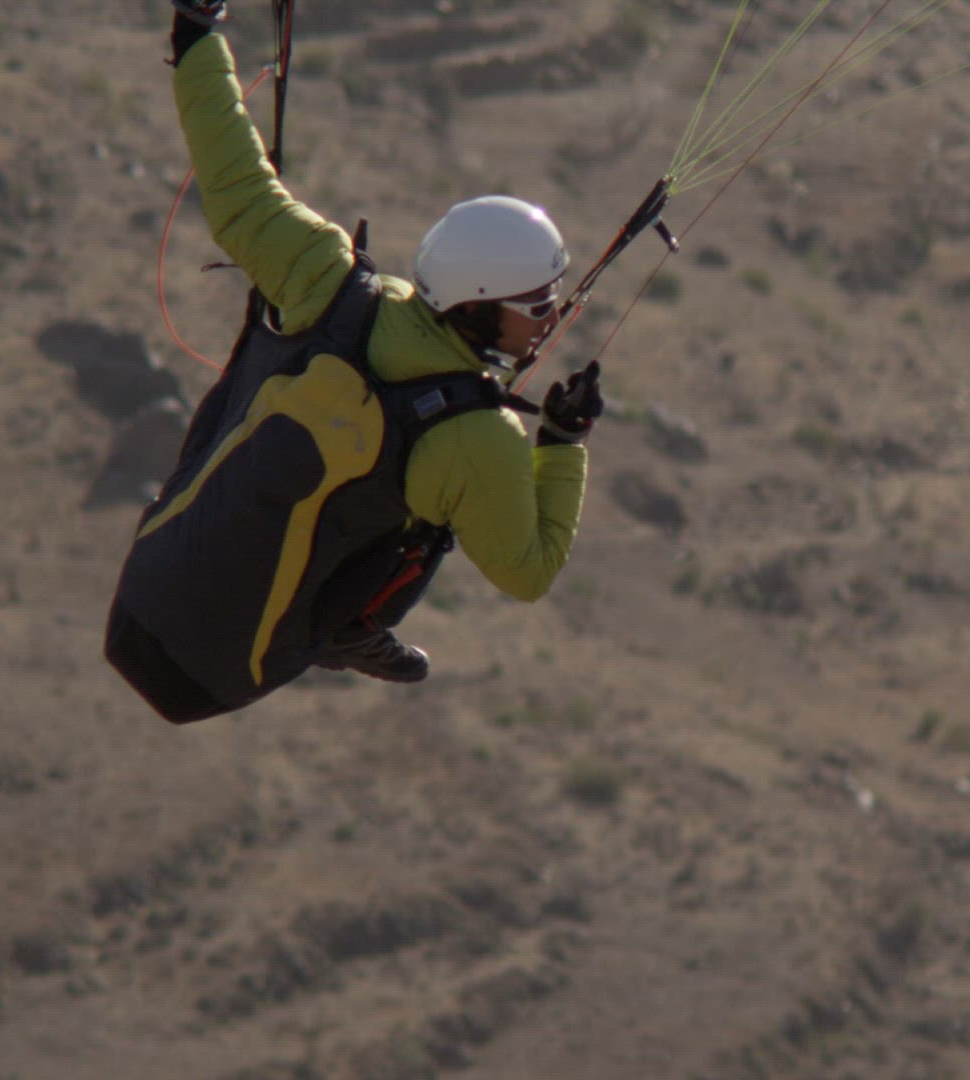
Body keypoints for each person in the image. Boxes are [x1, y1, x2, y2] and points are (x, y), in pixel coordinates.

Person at [103, 0, 603, 723]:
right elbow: (529, 572)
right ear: (478, 306)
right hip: (217, 678)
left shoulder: (326, 280)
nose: (553, 319)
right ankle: (350, 624)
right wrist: (561, 444)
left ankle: (345, 620)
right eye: (538, 303)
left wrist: (197, 37)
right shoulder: (480, 438)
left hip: (146, 589)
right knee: (426, 520)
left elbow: (235, 181)